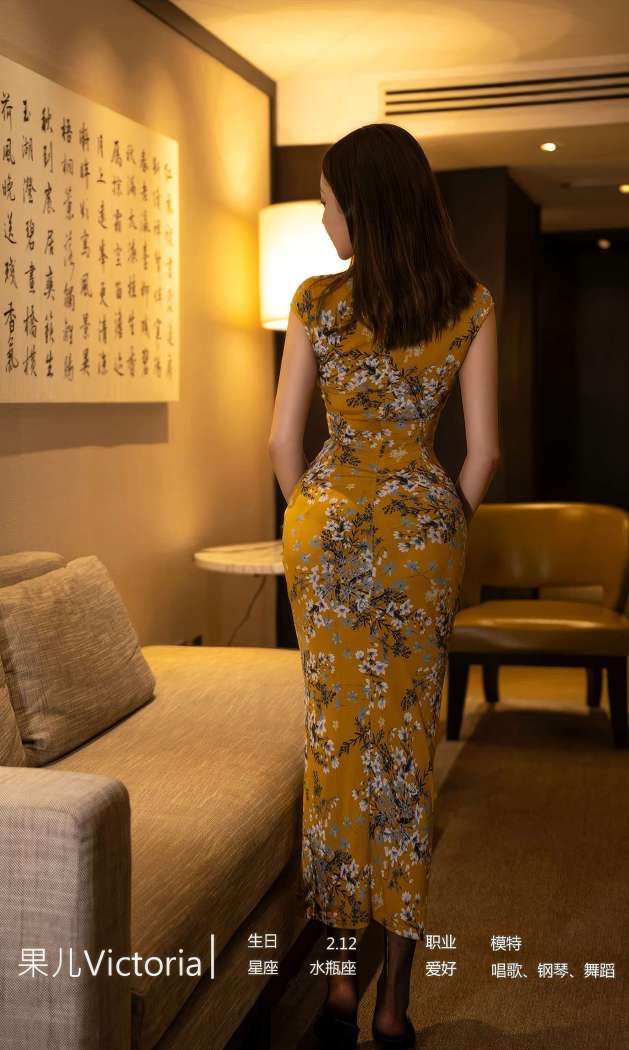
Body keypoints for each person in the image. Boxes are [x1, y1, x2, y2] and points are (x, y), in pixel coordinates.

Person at [268, 122, 500, 1049]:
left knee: (334, 748)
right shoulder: (467, 302)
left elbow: (282, 442)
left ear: (361, 208)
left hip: (324, 530)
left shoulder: (315, 302)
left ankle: (336, 991)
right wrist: (439, 529)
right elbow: (481, 454)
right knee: (403, 755)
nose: (325, 221)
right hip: (421, 539)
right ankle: (394, 1008)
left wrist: (315, 520)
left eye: (329, 204)